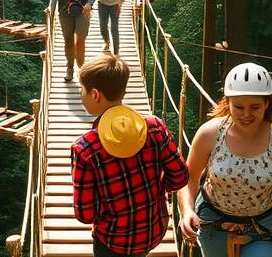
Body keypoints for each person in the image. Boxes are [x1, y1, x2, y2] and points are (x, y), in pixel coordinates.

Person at [177, 62, 272, 257]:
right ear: (227, 102)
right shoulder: (209, 134)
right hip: (213, 225)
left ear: (267, 104)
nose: (246, 114)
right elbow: (189, 179)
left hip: (262, 228)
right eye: (238, 107)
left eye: (255, 107)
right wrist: (187, 211)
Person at [72, 54, 190, 257]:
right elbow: (180, 177)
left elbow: (85, 214)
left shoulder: (85, 149)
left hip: (113, 242)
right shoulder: (155, 127)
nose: (80, 94)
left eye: (81, 89)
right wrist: (156, 190)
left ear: (95, 94)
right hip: (152, 232)